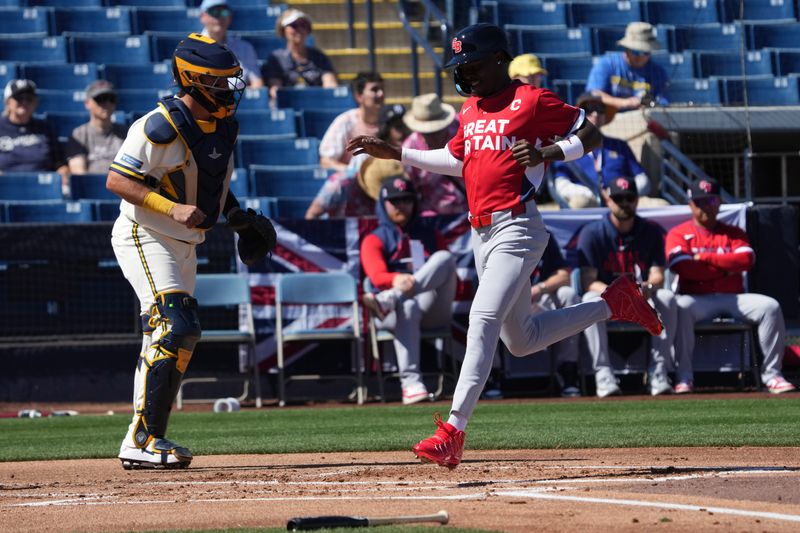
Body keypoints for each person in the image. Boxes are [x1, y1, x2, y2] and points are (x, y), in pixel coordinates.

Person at [347, 23, 663, 469]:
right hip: (482, 234)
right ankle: (614, 303)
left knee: (482, 316)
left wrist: (548, 154)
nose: (466, 74)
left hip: (517, 227)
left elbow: (588, 134)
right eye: (460, 66)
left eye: (472, 64)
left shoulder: (530, 100)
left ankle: (452, 431)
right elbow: (458, 160)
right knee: (521, 339)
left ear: (499, 59)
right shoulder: (471, 109)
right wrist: (398, 153)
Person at [107, 34, 275, 469]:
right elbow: (118, 181)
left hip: (184, 243)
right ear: (195, 81)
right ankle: (145, 439)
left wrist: (237, 217)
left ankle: (139, 439)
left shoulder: (220, 127)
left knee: (168, 335)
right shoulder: (156, 126)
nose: (229, 91)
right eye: (221, 84)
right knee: (176, 325)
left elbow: (210, 181)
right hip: (145, 233)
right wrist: (171, 207)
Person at [665, 177, 796, 394]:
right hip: (696, 298)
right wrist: (726, 266)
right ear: (690, 204)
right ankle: (684, 377)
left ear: (719, 203)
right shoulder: (678, 233)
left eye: (712, 202)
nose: (707, 207)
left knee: (769, 306)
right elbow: (682, 267)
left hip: (733, 296)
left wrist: (702, 258)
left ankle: (773, 375)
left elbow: (746, 260)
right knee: (681, 308)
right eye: (700, 202)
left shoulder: (732, 232)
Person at [361, 176, 458, 404]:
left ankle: (391, 297)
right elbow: (376, 276)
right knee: (408, 303)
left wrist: (405, 286)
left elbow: (447, 273)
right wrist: (396, 279)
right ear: (383, 204)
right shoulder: (374, 238)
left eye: (406, 199)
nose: (400, 205)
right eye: (394, 201)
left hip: (431, 307)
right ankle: (411, 384)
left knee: (444, 258)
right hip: (391, 314)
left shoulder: (431, 233)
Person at [577, 176, 677, 397]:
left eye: (629, 197)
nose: (624, 202)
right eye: (618, 197)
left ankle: (658, 372)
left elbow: (658, 276)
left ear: (637, 200)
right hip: (607, 298)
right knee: (587, 301)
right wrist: (620, 294)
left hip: (641, 297)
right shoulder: (592, 232)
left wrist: (646, 287)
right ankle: (603, 374)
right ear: (607, 199)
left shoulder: (650, 231)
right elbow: (588, 281)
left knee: (668, 299)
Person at [305, 105, 409, 219]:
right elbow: (312, 215)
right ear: (386, 129)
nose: (404, 132)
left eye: (406, 126)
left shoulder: (408, 158)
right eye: (398, 127)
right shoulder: (344, 181)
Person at [550, 92, 652, 209]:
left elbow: (643, 180)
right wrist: (593, 193)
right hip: (588, 203)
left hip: (622, 201)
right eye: (588, 109)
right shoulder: (566, 146)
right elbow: (561, 185)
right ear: (579, 115)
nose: (595, 114)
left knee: (660, 205)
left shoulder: (620, 145)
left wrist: (619, 193)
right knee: (579, 203)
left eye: (600, 109)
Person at [530, 237, 582, 397]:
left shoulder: (541, 234)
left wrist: (539, 288)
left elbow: (563, 275)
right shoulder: (501, 235)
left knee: (568, 294)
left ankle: (568, 370)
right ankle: (492, 376)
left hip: (537, 298)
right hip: (510, 303)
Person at [401, 93, 467, 216]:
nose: (434, 136)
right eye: (428, 133)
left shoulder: (464, 127)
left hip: (471, 209)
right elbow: (412, 187)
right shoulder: (410, 149)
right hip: (435, 217)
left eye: (437, 130)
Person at [0, 79, 69, 192]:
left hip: (43, 187)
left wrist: (64, 176)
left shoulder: (46, 128)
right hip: (6, 187)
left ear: (36, 102)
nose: (25, 102)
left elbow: (59, 163)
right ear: (8, 102)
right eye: (19, 98)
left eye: (29, 99)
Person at [585, 22, 669, 112]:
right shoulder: (607, 64)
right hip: (608, 120)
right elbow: (594, 95)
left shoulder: (658, 72)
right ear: (626, 49)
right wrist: (626, 103)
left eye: (645, 52)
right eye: (636, 52)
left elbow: (662, 101)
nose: (640, 57)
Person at [264, 8, 338, 101]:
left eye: (303, 25)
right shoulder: (276, 58)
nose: (299, 29)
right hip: (288, 106)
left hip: (316, 103)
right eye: (294, 25)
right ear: (283, 30)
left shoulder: (319, 56)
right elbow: (275, 91)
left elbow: (330, 85)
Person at [319, 71, 384, 171]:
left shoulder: (389, 121)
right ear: (359, 96)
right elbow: (326, 161)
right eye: (374, 90)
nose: (381, 94)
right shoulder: (345, 121)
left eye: (382, 89)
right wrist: (352, 173)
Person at [66, 81, 128, 175]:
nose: (107, 103)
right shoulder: (78, 135)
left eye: (111, 99)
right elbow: (80, 175)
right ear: (87, 103)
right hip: (91, 188)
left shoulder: (127, 133)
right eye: (101, 99)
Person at [199, 0, 264, 88]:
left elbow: (257, 83)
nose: (219, 17)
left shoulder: (245, 48)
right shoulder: (192, 48)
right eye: (214, 12)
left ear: (230, 16)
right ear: (202, 16)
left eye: (224, 12)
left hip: (239, 99)